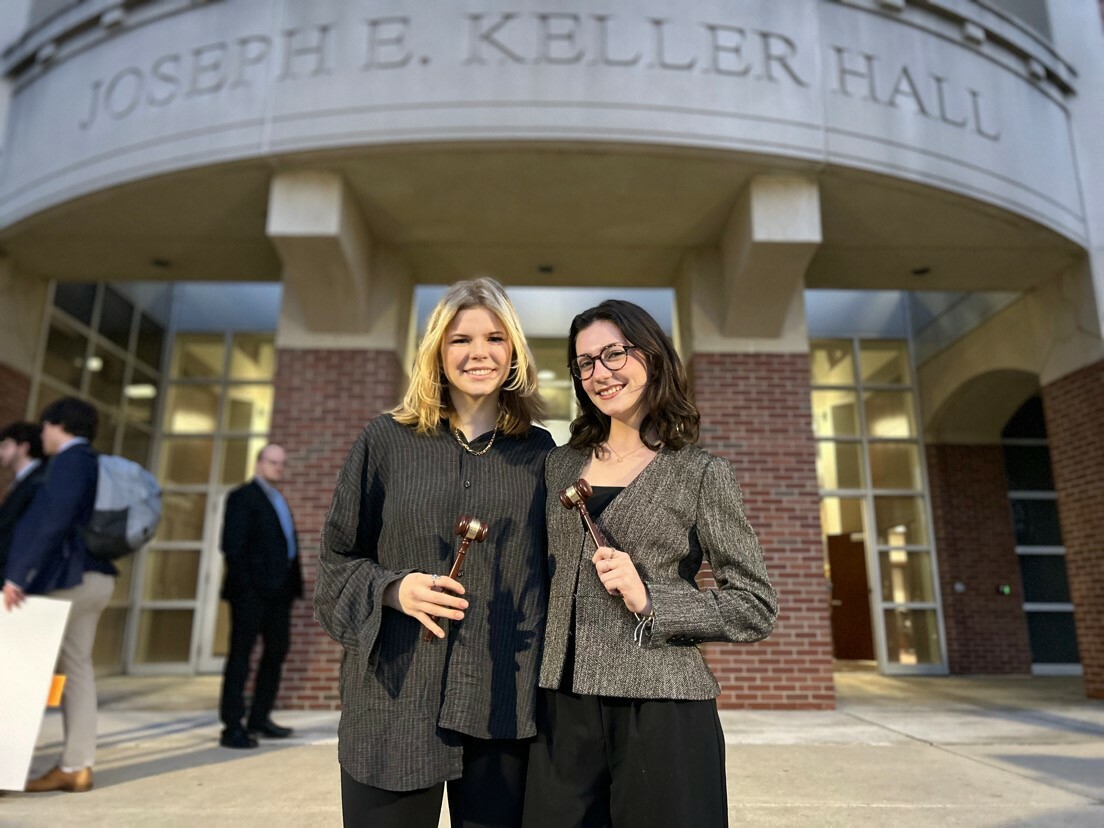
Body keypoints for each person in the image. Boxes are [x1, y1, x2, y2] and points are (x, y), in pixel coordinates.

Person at [523, 300, 779, 828]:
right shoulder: (557, 466)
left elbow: (754, 605)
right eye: (586, 363)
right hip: (563, 709)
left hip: (662, 707)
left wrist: (651, 599)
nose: (601, 372)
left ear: (653, 357)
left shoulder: (701, 473)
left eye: (614, 353)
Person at [314, 276, 554, 828]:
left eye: (494, 338)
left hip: (500, 700)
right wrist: (394, 589)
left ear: (513, 349)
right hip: (394, 697)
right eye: (459, 340)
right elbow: (336, 562)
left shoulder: (540, 453)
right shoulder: (385, 441)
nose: (478, 354)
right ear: (436, 353)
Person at [3, 398, 117, 793]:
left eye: (45, 428)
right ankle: (76, 766)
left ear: (58, 426)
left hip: (68, 579)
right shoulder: (98, 463)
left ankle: (5, 766)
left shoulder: (70, 461)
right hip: (96, 578)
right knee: (76, 671)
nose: (42, 436)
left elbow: (53, 521)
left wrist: (18, 575)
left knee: (20, 667)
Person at [218, 443, 303, 748]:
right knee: (241, 657)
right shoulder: (242, 497)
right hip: (250, 594)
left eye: (282, 463)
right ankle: (232, 727)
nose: (278, 468)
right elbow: (232, 547)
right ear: (258, 463)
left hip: (280, 594)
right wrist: (250, 588)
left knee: (275, 653)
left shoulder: (277, 498)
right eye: (272, 462)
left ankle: (259, 719)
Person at [0, 421, 48, 580]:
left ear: (23, 447)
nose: (0, 452)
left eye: (5, 446)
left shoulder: (39, 481)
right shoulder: (27, 481)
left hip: (17, 573)